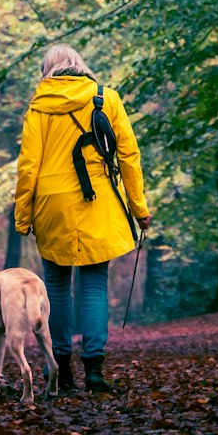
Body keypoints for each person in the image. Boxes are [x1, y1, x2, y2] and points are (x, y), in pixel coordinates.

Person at [13, 43, 151, 393]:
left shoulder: (39, 107)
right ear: (79, 64)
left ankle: (59, 369)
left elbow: (29, 166)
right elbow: (129, 156)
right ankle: (94, 370)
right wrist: (139, 208)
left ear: (48, 69)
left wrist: (23, 216)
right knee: (93, 285)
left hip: (51, 203)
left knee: (56, 287)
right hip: (97, 201)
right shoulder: (107, 99)